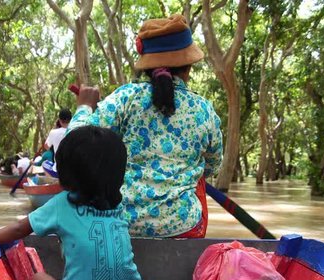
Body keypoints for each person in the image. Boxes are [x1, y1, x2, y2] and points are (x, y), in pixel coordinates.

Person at [0, 126, 159, 280]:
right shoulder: (117, 206)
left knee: (37, 279)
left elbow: (18, 229)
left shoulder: (62, 204)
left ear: (67, 172)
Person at [69, 14, 223, 238]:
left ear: (146, 66)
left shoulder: (125, 98)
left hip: (123, 225)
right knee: (198, 175)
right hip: (184, 226)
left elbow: (74, 146)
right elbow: (212, 167)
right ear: (188, 67)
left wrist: (84, 107)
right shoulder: (204, 109)